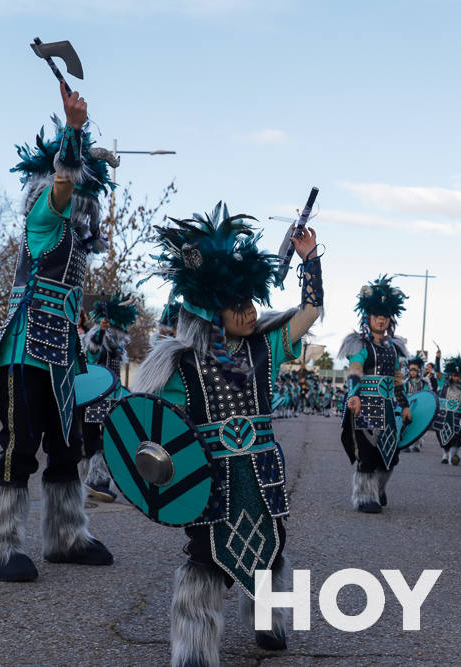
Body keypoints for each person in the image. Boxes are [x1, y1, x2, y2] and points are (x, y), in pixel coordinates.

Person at [130, 201, 322, 665]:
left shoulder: (268, 346)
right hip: (210, 477)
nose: (251, 312)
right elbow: (157, 428)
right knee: (204, 559)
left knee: (271, 546)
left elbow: (311, 310)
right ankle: (193, 645)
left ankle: (269, 620)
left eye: (252, 300)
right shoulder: (178, 361)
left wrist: (311, 261)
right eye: (239, 304)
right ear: (211, 308)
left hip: (259, 470)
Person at [0, 84, 118, 582]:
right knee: (21, 443)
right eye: (79, 194)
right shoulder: (44, 220)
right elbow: (59, 190)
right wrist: (73, 133)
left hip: (61, 357)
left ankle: (66, 536)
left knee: (67, 445)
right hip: (23, 350)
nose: (81, 203)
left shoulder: (77, 243)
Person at [339, 276, 411, 513]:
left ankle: (377, 489)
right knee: (367, 454)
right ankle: (363, 496)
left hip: (390, 409)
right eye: (376, 314)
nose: (381, 318)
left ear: (391, 318)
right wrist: (354, 395)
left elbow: (398, 380)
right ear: (367, 317)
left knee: (391, 455)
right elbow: (355, 370)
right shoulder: (360, 345)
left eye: (385, 314)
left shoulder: (395, 347)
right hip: (365, 408)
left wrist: (405, 405)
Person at [81, 292, 138, 502]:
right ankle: (96, 480)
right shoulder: (101, 335)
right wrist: (101, 332)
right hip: (97, 394)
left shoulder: (117, 341)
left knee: (104, 436)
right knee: (97, 438)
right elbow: (93, 349)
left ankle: (95, 478)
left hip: (111, 394)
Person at [434, 355, 461, 466]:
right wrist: (437, 359)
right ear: (450, 375)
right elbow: (438, 372)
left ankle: (454, 455)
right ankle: (445, 454)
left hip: (457, 417)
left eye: (458, 376)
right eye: (454, 375)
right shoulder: (443, 384)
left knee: (456, 437)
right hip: (443, 416)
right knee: (442, 436)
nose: (456, 378)